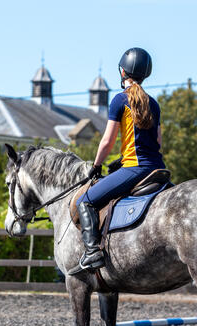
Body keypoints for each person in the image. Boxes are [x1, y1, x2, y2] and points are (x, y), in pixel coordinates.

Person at [70, 47, 165, 275]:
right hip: (158, 169)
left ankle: (92, 252)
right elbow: (158, 142)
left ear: (123, 72)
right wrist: (121, 160)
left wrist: (96, 166)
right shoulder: (153, 104)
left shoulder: (120, 100)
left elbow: (106, 141)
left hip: (136, 168)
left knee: (85, 201)